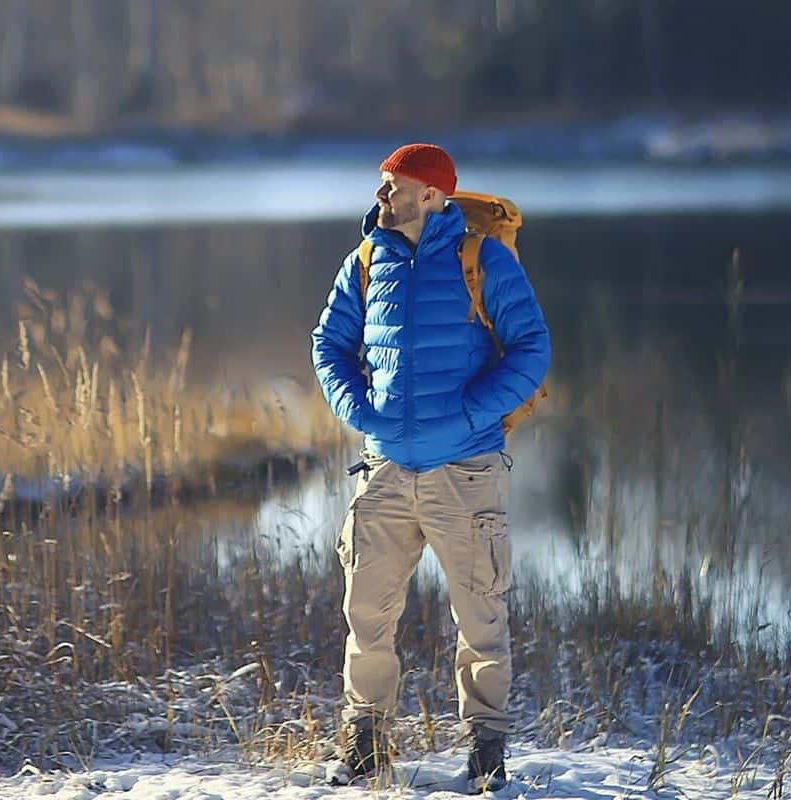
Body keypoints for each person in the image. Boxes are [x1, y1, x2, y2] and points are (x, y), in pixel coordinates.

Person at [311, 143, 551, 792]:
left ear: (433, 196)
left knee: (481, 618)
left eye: (394, 186)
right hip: (384, 472)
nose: (381, 196)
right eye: (383, 185)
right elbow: (329, 344)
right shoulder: (364, 261)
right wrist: (359, 410)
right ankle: (365, 747)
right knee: (367, 617)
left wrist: (475, 410)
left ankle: (486, 754)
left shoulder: (483, 260)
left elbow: (532, 349)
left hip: (464, 473)